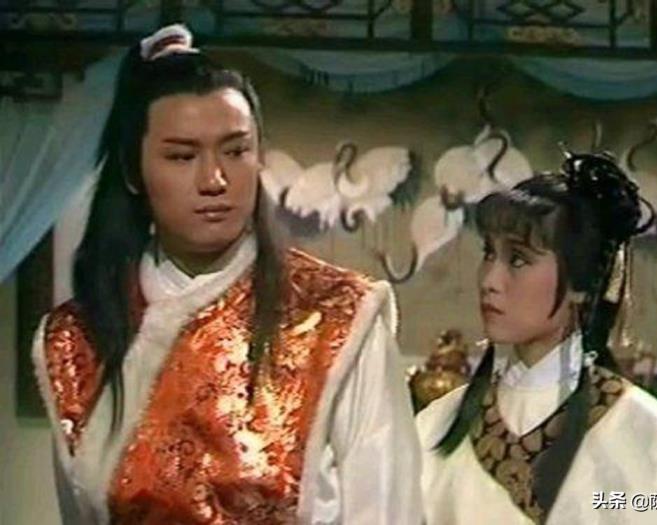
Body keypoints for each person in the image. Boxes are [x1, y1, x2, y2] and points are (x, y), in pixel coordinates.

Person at [32, 24, 421, 525]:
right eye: (182, 156)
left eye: (236, 151)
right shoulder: (75, 339)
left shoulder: (336, 317)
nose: (214, 180)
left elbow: (388, 510)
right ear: (133, 172)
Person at [416, 150, 657, 524]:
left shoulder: (647, 434)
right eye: (489, 254)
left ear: (580, 284)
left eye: (518, 259)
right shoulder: (435, 427)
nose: (490, 281)